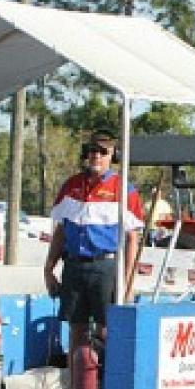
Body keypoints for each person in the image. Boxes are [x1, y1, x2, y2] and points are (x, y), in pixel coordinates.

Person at [43, 128, 143, 375]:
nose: (96, 156)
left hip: (105, 267)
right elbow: (61, 230)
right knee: (76, 330)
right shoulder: (71, 186)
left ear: (113, 156)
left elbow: (132, 238)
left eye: (102, 152)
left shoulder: (124, 189)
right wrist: (49, 268)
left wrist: (128, 282)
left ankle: (105, 386)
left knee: (106, 329)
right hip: (74, 265)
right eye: (92, 151)